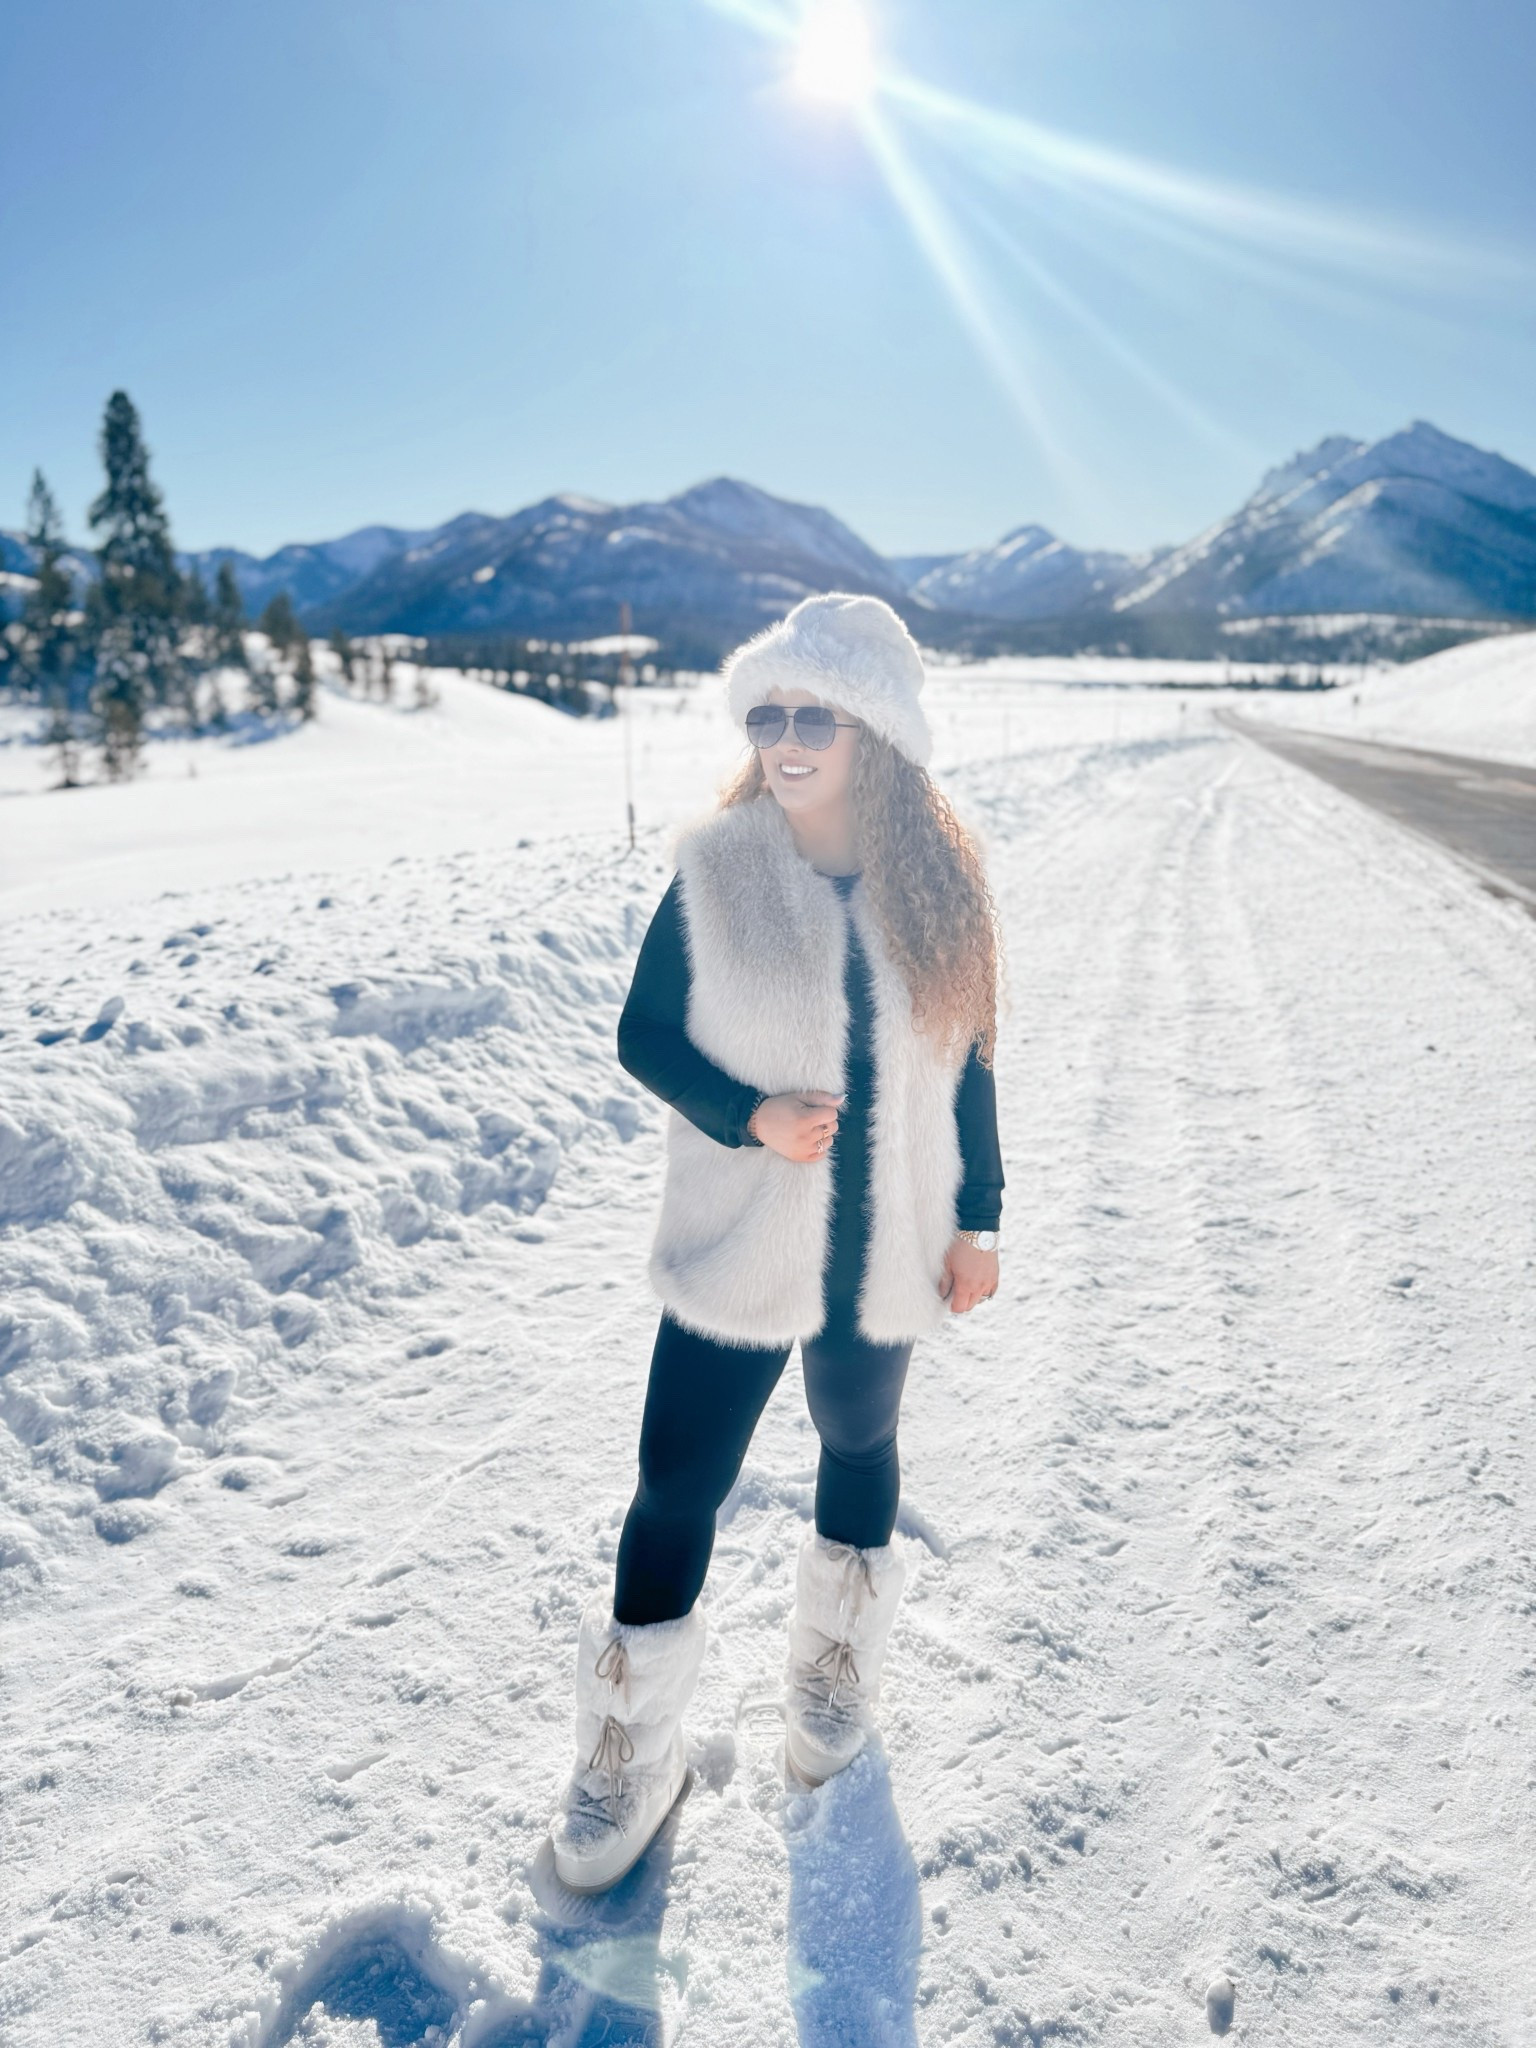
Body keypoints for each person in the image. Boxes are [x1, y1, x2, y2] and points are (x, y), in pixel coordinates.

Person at [548, 592, 1004, 1892]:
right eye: (769, 716)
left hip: (881, 1234)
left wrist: (979, 1218)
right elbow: (643, 1035)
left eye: (816, 717)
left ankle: (835, 1661)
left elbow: (971, 1060)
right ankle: (631, 1748)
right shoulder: (719, 870)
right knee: (676, 1477)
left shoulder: (940, 889)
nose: (787, 741)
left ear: (876, 732)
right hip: (743, 1230)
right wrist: (745, 1113)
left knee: (858, 1444)